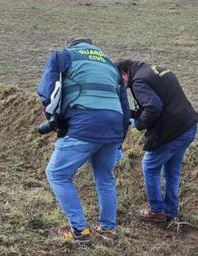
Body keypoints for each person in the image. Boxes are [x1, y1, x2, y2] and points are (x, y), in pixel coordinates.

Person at [37, 37, 130, 243]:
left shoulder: (63, 56)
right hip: (114, 124)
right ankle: (108, 230)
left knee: (57, 173)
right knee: (105, 178)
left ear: (72, 44)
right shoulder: (109, 64)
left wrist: (54, 119)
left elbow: (47, 92)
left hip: (85, 122)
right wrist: (119, 140)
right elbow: (125, 106)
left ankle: (79, 230)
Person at [116, 59, 198, 222]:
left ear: (124, 73)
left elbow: (153, 107)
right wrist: (130, 114)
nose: (120, 85)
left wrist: (139, 124)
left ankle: (156, 211)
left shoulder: (138, 81)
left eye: (119, 80)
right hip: (188, 126)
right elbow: (155, 103)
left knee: (150, 166)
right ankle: (170, 211)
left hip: (172, 130)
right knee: (171, 171)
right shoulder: (152, 70)